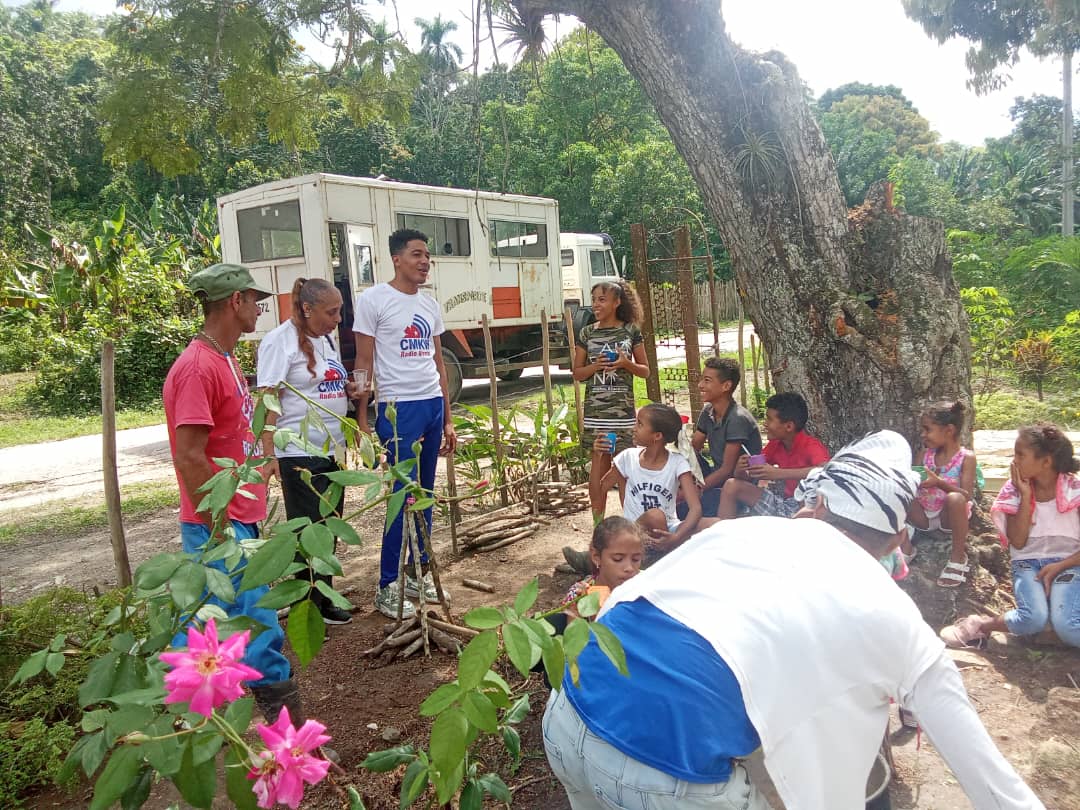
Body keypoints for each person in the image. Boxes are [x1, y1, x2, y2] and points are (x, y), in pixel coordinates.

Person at [543, 430, 1046, 810]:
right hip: (667, 775)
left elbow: (626, 602)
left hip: (567, 715)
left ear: (813, 506)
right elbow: (993, 785)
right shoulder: (894, 613)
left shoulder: (735, 534)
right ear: (895, 542)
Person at [163, 263, 299, 723]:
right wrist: (220, 524)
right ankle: (284, 732)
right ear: (233, 302)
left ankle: (201, 719)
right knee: (250, 623)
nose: (259, 307)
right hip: (219, 526)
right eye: (253, 298)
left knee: (219, 625)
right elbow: (188, 454)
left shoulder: (224, 358)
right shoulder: (197, 368)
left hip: (237, 518)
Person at [352, 228, 457, 619]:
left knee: (424, 495)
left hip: (430, 404)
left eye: (427, 255)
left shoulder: (430, 305)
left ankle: (417, 572)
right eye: (416, 254)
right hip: (399, 409)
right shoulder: (373, 300)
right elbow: (364, 363)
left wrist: (448, 418)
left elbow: (438, 363)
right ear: (396, 259)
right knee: (400, 496)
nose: (424, 261)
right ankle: (387, 583)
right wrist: (363, 419)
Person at [257, 277, 354, 625]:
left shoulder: (325, 338)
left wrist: (350, 390)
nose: (338, 318)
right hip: (297, 452)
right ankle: (306, 608)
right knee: (308, 530)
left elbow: (327, 383)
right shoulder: (279, 343)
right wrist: (269, 455)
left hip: (331, 450)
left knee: (328, 525)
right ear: (307, 308)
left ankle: (322, 598)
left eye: (340, 310)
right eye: (332, 312)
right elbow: (268, 400)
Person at [942, 423, 1080, 650]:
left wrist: (1059, 566)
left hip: (1069, 566)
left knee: (1068, 627)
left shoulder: (1074, 491)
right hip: (1027, 564)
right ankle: (981, 626)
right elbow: (1018, 541)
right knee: (1032, 617)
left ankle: (1054, 626)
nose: (1014, 460)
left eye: (1020, 455)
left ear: (1046, 462)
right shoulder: (1013, 490)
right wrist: (1026, 496)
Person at [575, 279, 650, 523]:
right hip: (597, 413)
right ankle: (599, 528)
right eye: (594, 299)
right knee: (598, 463)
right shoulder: (587, 332)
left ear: (617, 303)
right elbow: (577, 374)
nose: (596, 304)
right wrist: (595, 366)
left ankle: (630, 525)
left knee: (625, 467)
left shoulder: (631, 331)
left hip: (623, 412)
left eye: (602, 299)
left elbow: (645, 371)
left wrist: (626, 364)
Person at [710, 391, 829, 524]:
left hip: (807, 509)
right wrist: (741, 469)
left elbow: (826, 472)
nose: (765, 424)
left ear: (789, 426)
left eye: (769, 419)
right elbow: (748, 477)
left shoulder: (811, 446)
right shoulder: (775, 445)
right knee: (731, 485)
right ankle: (724, 535)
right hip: (784, 504)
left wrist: (778, 473)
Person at [604, 403, 702, 562]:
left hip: (669, 528)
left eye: (640, 424)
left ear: (657, 436)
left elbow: (696, 508)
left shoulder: (678, 462)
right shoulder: (628, 457)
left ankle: (661, 553)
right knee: (655, 516)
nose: (634, 428)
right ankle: (664, 560)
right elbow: (599, 489)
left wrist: (676, 536)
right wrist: (597, 456)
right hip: (635, 530)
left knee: (714, 524)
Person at [679, 357, 761, 520]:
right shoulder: (708, 411)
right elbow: (693, 448)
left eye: (707, 381)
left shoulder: (737, 418)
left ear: (726, 386)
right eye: (702, 379)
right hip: (715, 476)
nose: (700, 385)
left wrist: (696, 490)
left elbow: (727, 470)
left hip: (736, 483)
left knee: (686, 511)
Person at [907, 401, 977, 588]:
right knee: (901, 490)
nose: (923, 435)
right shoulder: (925, 454)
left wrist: (939, 483)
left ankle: (958, 557)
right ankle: (904, 545)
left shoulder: (966, 458)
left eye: (927, 429)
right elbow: (912, 481)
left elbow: (966, 496)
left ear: (949, 430)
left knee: (956, 498)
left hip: (948, 519)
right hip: (923, 518)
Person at [562, 516, 645, 620]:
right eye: (618, 559)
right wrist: (580, 612)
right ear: (596, 557)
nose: (629, 568)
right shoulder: (579, 596)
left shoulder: (647, 586)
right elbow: (574, 635)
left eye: (636, 559)